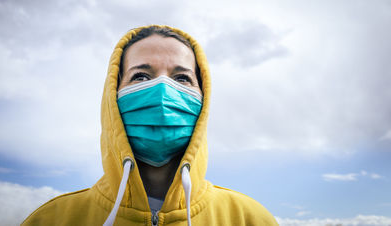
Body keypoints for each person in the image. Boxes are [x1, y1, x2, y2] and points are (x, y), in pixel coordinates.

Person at [22, 25, 278, 225]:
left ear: (204, 97)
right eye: (141, 76)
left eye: (182, 78)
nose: (163, 90)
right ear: (113, 95)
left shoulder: (248, 219)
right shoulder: (52, 219)